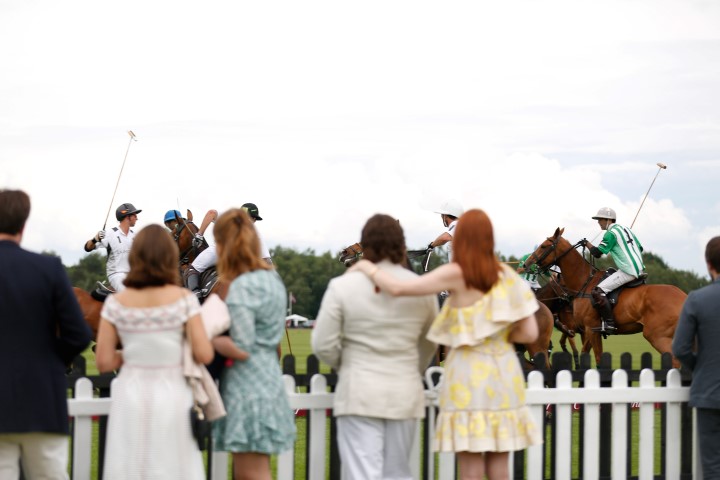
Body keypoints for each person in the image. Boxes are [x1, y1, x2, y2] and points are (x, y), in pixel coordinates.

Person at [352, 209, 542, 480]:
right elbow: (529, 333)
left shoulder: (456, 273)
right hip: (503, 376)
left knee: (470, 466)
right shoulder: (509, 278)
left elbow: (400, 288)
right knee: (500, 466)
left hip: (466, 375)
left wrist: (367, 267)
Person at [312, 214, 439, 480]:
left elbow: (323, 344)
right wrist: (410, 370)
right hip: (404, 392)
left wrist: (349, 366)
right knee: (398, 474)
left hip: (358, 392)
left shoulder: (342, 285)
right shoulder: (421, 288)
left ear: (366, 245)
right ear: (401, 244)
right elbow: (429, 343)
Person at [95, 224, 215, 479]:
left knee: (131, 465)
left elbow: (104, 361)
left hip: (130, 392)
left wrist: (133, 354)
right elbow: (204, 354)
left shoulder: (116, 303)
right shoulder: (184, 299)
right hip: (173, 392)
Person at [0, 189, 93, 479]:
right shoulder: (48, 268)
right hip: (41, 399)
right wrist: (48, 360)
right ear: (23, 224)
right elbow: (79, 335)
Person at [211, 208, 295, 480]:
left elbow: (242, 346)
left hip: (247, 387)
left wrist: (211, 338)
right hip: (268, 379)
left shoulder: (242, 285)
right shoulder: (271, 279)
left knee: (251, 474)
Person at [672, 236, 720, 478]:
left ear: (708, 264)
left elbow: (680, 348)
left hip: (709, 393)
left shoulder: (697, 299)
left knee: (712, 467)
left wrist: (700, 368)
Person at [183, 202, 271, 297]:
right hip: (240, 260)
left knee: (193, 268)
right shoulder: (256, 234)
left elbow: (211, 213)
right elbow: (267, 261)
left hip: (219, 251)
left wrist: (199, 234)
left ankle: (196, 295)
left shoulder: (229, 219)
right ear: (254, 219)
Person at [583, 207, 645, 334]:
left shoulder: (611, 233)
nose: (598, 222)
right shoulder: (627, 230)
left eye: (600, 219)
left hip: (628, 271)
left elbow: (597, 253)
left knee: (598, 291)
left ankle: (609, 324)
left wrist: (587, 243)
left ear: (608, 220)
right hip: (640, 269)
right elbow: (640, 248)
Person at [84, 202, 142, 292]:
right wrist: (95, 239)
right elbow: (87, 248)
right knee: (129, 293)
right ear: (127, 216)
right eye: (134, 215)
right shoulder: (110, 234)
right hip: (116, 275)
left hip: (132, 275)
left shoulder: (135, 236)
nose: (137, 218)